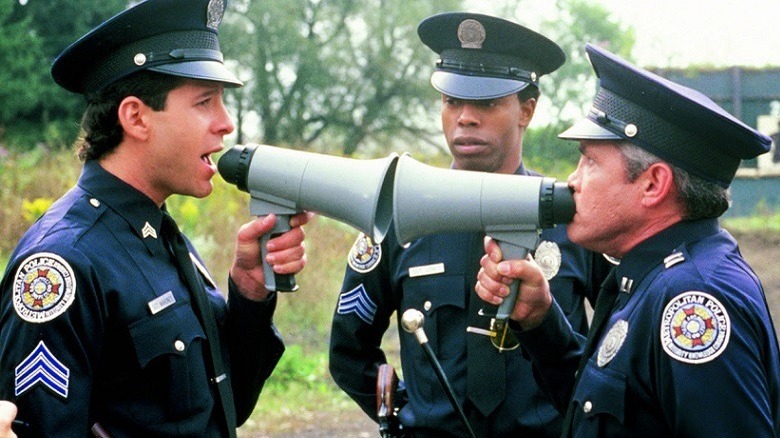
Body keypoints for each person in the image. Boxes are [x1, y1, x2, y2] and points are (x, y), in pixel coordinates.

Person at [0, 0, 309, 436]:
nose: (225, 124)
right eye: (204, 102)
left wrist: (249, 291)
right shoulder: (62, 264)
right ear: (136, 117)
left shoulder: (156, 232)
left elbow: (224, 407)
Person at [476, 43, 780, 436]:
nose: (572, 180)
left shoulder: (691, 300)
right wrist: (540, 320)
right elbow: (593, 414)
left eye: (590, 161)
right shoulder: (654, 275)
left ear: (653, 184)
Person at [329, 12, 609, 437]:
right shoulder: (399, 215)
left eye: (486, 103)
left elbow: (621, 348)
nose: (465, 117)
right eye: (452, 101)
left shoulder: (571, 217)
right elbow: (348, 350)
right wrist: (409, 415)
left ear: (527, 110)